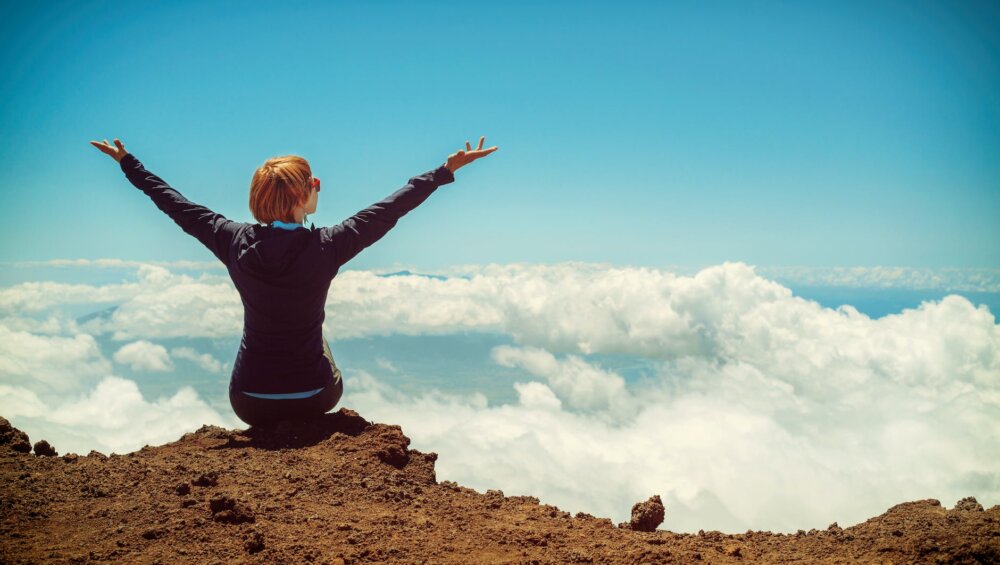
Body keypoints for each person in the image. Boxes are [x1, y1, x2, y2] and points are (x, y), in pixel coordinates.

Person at [89, 136, 499, 427]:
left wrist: (129, 163)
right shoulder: (331, 245)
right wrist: (445, 171)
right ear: (302, 197)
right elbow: (391, 209)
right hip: (316, 398)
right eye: (314, 183)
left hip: (249, 402)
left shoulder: (229, 239)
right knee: (316, 333)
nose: (318, 187)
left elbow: (172, 202)